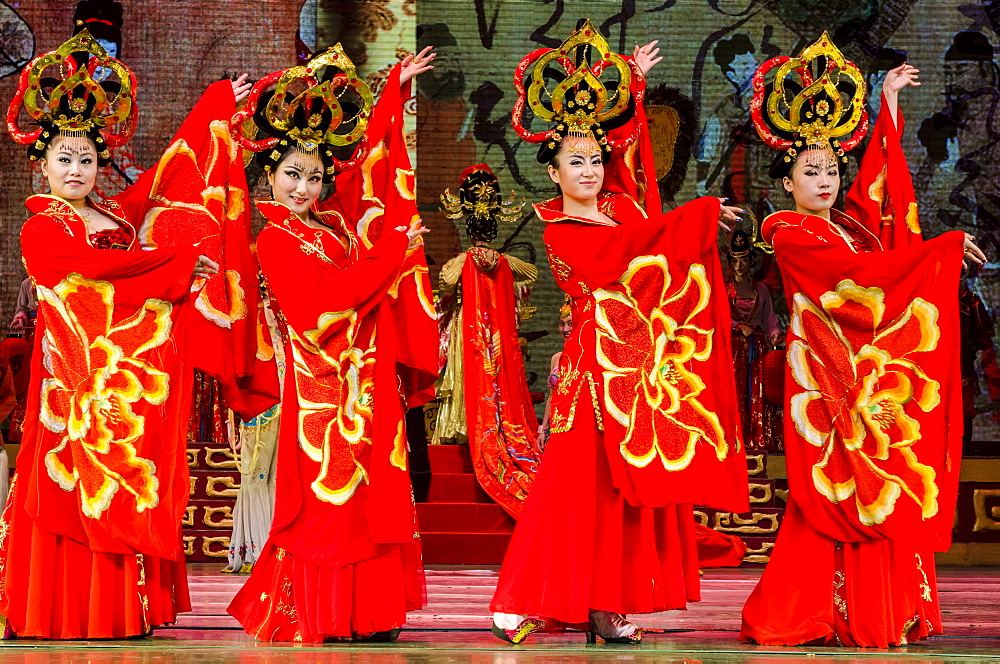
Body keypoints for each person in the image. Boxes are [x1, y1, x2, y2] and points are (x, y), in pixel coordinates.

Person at [490, 20, 750, 644]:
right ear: (551, 172)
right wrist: (700, 214)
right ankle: (514, 599)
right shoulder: (558, 230)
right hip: (591, 378)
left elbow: (643, 192)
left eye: (595, 160)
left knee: (622, 499)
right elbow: (628, 254)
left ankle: (607, 606)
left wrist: (632, 89)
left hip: (635, 376)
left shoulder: (620, 210)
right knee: (567, 490)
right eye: (574, 162)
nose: (590, 170)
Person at [0, 30, 262, 639]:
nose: (75, 170)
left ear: (100, 163)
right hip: (75, 391)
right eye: (63, 158)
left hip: (125, 394)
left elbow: (170, 173)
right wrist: (168, 269)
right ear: (41, 162)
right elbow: (93, 271)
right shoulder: (42, 230)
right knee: (76, 488)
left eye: (86, 158)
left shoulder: (115, 214)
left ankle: (119, 609)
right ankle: (62, 610)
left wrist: (215, 105)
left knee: (124, 487)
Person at [741, 33, 987, 647]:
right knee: (832, 494)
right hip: (825, 382)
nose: (823, 181)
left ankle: (875, 606)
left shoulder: (847, 226)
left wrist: (888, 110)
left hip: (867, 379)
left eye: (830, 170)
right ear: (788, 179)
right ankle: (808, 609)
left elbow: (880, 203)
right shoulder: (786, 229)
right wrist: (944, 250)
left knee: (876, 485)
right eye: (809, 172)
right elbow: (854, 283)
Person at [226, 45, 439, 643]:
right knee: (331, 501)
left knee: (368, 497)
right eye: (292, 174)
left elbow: (369, 170)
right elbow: (319, 308)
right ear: (269, 174)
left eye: (314, 176)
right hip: (321, 390)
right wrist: (393, 255)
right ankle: (326, 612)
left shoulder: (332, 227)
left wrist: (392, 91)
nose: (303, 187)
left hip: (363, 382)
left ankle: (367, 611)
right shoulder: (273, 240)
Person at [434, 163, 540, 517]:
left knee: (467, 376)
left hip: (470, 326)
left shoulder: (460, 261)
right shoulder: (507, 261)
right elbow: (532, 275)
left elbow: (445, 286)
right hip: (497, 330)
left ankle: (461, 430)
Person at [726, 229, 782, 451]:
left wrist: (774, 331)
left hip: (756, 348)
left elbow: (770, 319)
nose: (739, 266)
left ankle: (757, 438)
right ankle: (735, 437)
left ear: (751, 261)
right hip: (733, 348)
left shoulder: (762, 289)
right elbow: (718, 315)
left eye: (744, 260)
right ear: (730, 262)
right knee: (736, 390)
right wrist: (739, 327)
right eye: (735, 261)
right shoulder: (725, 289)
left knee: (756, 391)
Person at [537, 299, 573, 452]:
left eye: (570, 323)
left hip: (577, 424)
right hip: (557, 425)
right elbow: (552, 396)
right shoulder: (556, 358)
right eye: (561, 323)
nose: (565, 329)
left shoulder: (590, 356)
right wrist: (543, 429)